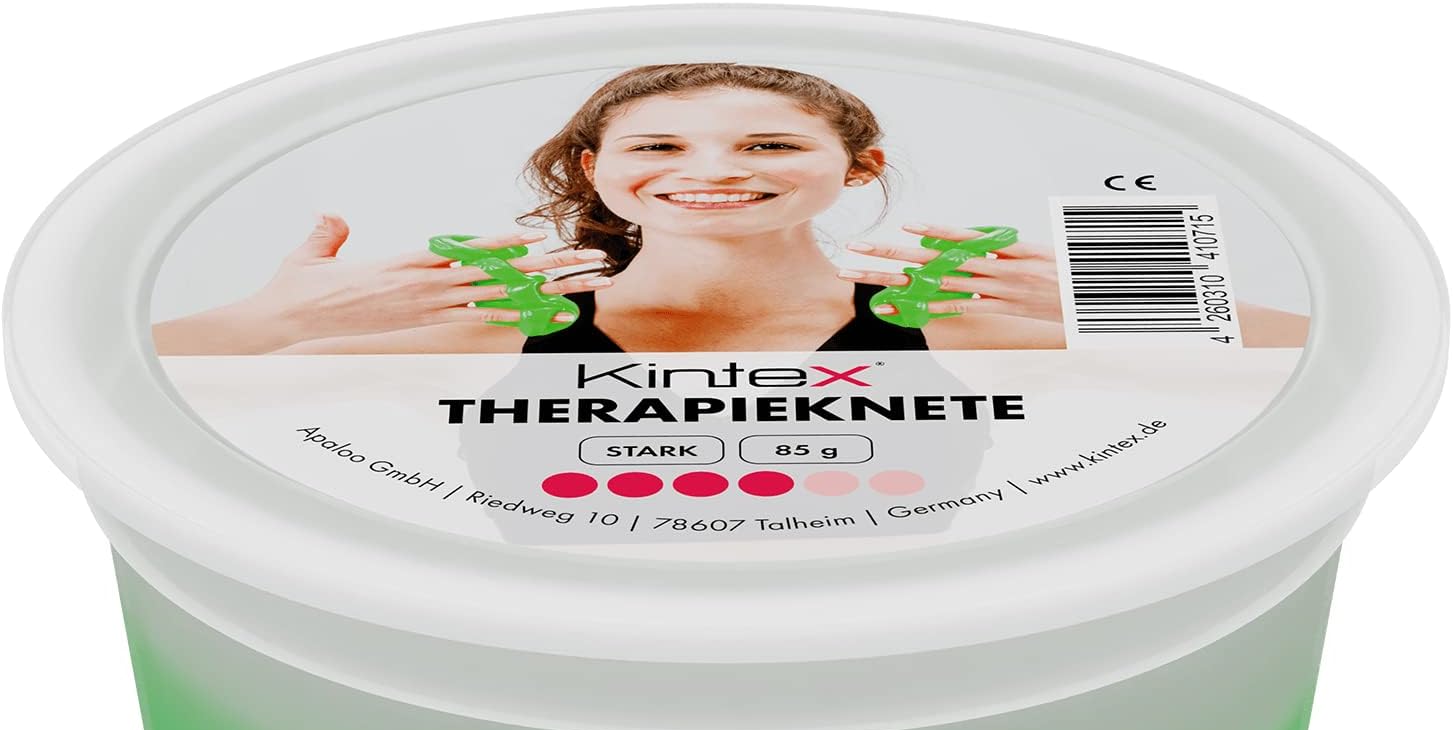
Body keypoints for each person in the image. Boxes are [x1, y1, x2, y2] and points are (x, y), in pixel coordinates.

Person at [154, 62, 1303, 357]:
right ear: (594, 169)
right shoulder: (486, 324)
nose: (711, 169)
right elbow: (115, 371)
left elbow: (1340, 355)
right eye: (657, 145)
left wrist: (1151, 301)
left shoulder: (954, 318)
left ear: (858, 166)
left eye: (769, 143)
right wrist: (267, 321)